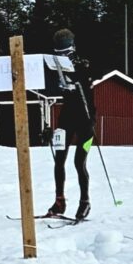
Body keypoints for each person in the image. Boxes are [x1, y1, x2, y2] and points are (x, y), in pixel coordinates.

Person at [45, 28, 96, 220]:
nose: (63, 57)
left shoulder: (84, 65)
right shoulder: (53, 67)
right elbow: (48, 91)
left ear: (73, 48)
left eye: (66, 53)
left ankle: (85, 202)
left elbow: (90, 81)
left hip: (86, 121)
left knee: (79, 162)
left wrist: (80, 76)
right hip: (66, 120)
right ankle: (59, 201)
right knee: (59, 160)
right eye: (59, 53)